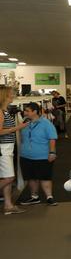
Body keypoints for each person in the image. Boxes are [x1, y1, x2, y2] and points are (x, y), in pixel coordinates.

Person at [17, 103, 58, 206]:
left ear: (35, 111)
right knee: (31, 177)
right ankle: (34, 197)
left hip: (42, 155)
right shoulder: (24, 123)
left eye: (27, 111)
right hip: (26, 155)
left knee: (45, 176)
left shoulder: (46, 123)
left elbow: (52, 138)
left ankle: (49, 197)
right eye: (25, 111)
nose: (25, 112)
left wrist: (52, 152)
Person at [0, 86, 28, 215]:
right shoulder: (0, 111)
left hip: (7, 148)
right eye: (11, 93)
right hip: (3, 149)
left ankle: (8, 205)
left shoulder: (5, 111)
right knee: (10, 177)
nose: (13, 95)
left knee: (7, 177)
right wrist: (18, 127)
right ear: (5, 95)